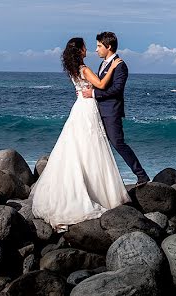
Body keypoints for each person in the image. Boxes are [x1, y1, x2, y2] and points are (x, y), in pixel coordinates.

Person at [31, 37, 130, 229]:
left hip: (79, 107)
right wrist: (112, 68)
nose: (90, 49)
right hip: (87, 108)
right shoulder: (84, 69)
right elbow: (100, 85)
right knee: (91, 146)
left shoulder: (73, 69)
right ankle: (98, 192)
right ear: (80, 51)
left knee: (78, 146)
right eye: (86, 47)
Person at [83, 31, 150, 185]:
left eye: (99, 46)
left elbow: (117, 89)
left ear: (109, 46)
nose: (96, 49)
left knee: (117, 143)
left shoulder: (120, 65)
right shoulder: (103, 63)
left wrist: (93, 93)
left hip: (111, 111)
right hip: (98, 110)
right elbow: (101, 83)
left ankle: (141, 175)